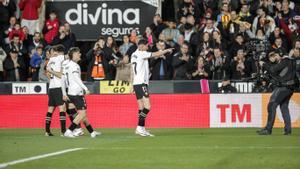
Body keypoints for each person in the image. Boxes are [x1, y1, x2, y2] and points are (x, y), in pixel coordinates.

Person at [130, 39, 173, 137]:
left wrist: (132, 83)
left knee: (141, 108)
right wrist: (166, 50)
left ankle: (141, 128)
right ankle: (140, 127)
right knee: (147, 106)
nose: (147, 47)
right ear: (141, 46)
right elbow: (155, 54)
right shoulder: (142, 53)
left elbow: (132, 70)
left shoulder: (133, 54)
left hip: (136, 83)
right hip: (141, 83)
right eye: (146, 46)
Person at [257, 53, 299, 135]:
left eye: (274, 56)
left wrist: (264, 64)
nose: (273, 58)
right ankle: (288, 130)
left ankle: (268, 129)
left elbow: (273, 70)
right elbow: (279, 74)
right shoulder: (291, 61)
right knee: (284, 107)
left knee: (272, 105)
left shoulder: (285, 61)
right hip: (290, 88)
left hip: (284, 87)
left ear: (278, 55)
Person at [63, 47, 100, 138]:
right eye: (78, 53)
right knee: (82, 114)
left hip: (71, 92)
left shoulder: (67, 65)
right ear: (74, 55)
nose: (80, 54)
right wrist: (85, 88)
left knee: (83, 114)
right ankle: (69, 130)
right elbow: (76, 78)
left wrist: (64, 93)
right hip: (76, 93)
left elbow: (62, 80)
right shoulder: (74, 66)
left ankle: (91, 132)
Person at [44, 45, 67, 136]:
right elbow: (61, 75)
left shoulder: (50, 60)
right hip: (58, 87)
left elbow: (47, 74)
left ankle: (47, 131)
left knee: (50, 109)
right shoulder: (60, 58)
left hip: (51, 88)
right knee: (62, 108)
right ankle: (63, 131)